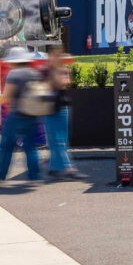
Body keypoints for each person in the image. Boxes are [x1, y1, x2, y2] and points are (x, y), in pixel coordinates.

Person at [0, 48, 50, 183]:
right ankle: (34, 176)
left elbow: (6, 96)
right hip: (33, 115)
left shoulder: (14, 74)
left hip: (16, 115)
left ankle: (0, 176)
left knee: (7, 146)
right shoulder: (34, 73)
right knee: (30, 147)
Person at [42, 47, 85, 180]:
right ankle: (64, 168)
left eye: (58, 55)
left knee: (61, 140)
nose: (56, 58)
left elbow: (65, 83)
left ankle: (60, 168)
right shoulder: (45, 70)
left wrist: (57, 75)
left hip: (61, 106)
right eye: (54, 55)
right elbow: (44, 86)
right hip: (48, 108)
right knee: (54, 140)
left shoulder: (61, 69)